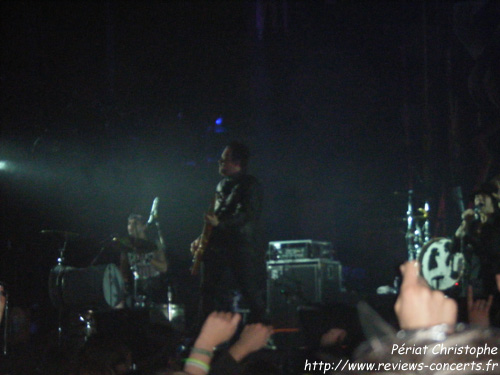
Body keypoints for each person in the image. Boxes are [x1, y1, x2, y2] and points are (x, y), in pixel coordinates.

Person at [191, 141, 266, 325]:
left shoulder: (250, 184)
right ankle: (203, 333)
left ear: (237, 163)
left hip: (240, 247)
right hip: (217, 248)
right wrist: (203, 238)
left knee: (250, 292)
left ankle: (262, 332)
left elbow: (247, 216)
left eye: (224, 160)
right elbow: (215, 217)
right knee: (207, 291)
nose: (220, 163)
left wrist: (220, 223)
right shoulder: (221, 185)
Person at [454, 183, 500, 298]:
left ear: (494, 199)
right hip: (470, 287)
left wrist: (471, 238)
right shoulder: (473, 225)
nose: (479, 199)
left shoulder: (497, 224)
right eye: (476, 197)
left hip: (491, 289)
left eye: (484, 196)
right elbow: (454, 249)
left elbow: (490, 252)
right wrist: (464, 224)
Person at [119, 213, 168, 306]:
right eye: (129, 224)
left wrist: (148, 259)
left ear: (144, 227)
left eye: (135, 224)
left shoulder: (154, 244)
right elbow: (123, 271)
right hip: (136, 288)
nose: (131, 227)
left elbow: (164, 268)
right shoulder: (126, 247)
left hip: (154, 288)